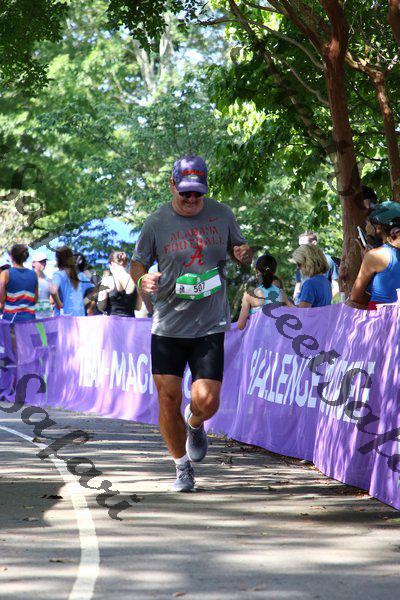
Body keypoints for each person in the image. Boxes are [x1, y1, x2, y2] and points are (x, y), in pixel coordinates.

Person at [130, 155, 252, 493]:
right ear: (172, 186)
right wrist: (141, 280)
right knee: (167, 397)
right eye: (185, 193)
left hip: (209, 323)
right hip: (168, 325)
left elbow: (242, 250)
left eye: (197, 193)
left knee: (207, 401)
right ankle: (182, 467)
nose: (191, 199)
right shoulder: (156, 222)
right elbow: (137, 263)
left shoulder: (222, 214)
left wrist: (244, 254)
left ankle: (195, 422)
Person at [350, 203, 400, 310]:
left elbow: (355, 297)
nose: (366, 227)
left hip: (382, 318)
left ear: (378, 227)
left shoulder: (375, 256)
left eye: (368, 223)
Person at [237, 253, 290, 330]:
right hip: (276, 335)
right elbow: (293, 312)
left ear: (256, 270)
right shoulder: (281, 293)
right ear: (274, 271)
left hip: (256, 335)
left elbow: (240, 326)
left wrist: (251, 317)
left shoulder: (248, 295)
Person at [293, 232, 339, 301]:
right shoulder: (301, 261)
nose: (300, 248)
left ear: (314, 243)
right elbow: (298, 285)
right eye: (299, 245)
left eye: (304, 245)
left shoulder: (329, 260)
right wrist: (295, 302)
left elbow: (336, 287)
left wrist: (321, 302)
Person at [0, 244, 38, 322]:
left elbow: (2, 300)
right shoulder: (33, 274)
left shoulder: (5, 274)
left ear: (11, 257)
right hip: (29, 319)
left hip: (11, 319)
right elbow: (35, 299)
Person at [97, 251, 141, 316]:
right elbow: (138, 307)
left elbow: (101, 307)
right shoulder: (136, 281)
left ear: (111, 263)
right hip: (130, 321)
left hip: (112, 321)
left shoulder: (107, 280)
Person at [51, 246, 92, 316]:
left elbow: (53, 291)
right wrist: (82, 303)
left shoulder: (58, 275)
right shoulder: (82, 276)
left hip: (64, 316)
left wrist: (60, 305)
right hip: (79, 315)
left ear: (58, 260)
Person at [32, 251, 53, 318]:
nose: (43, 264)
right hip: (33, 318)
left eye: (44, 261)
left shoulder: (49, 281)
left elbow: (52, 300)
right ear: (33, 263)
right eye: (41, 261)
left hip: (47, 318)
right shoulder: (28, 279)